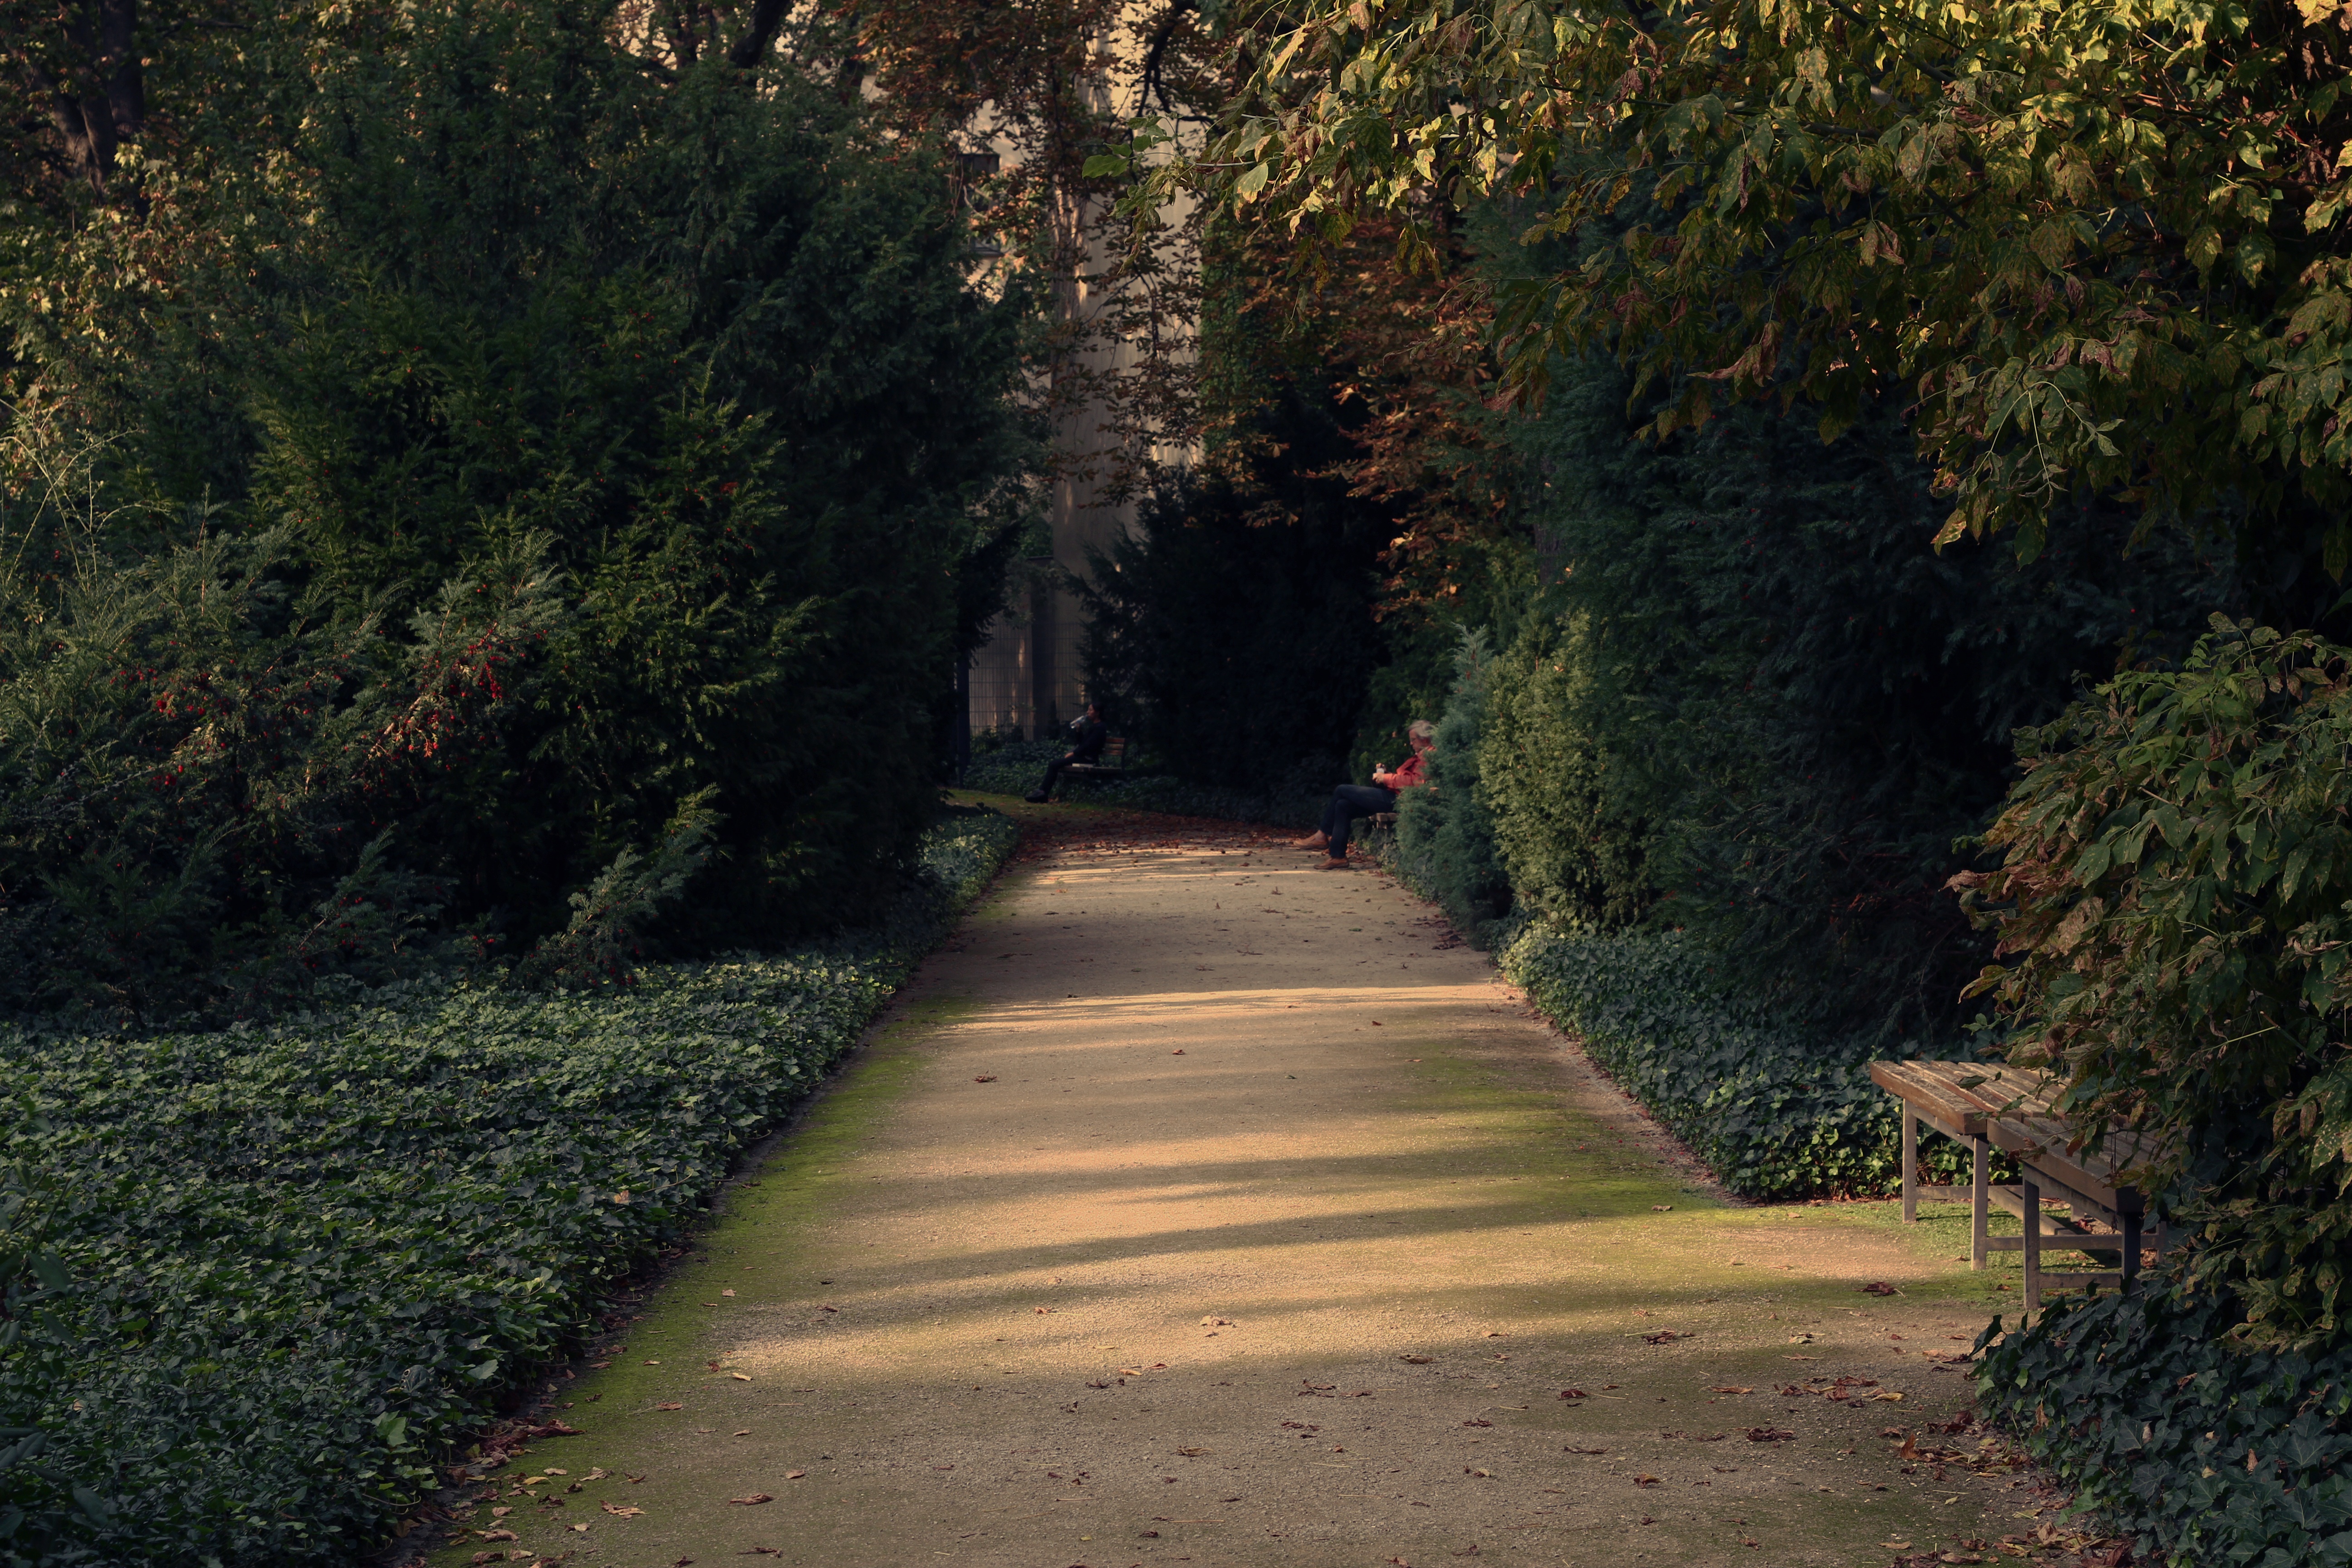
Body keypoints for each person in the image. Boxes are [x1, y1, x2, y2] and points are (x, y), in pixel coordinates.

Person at [1294, 720, 1435, 869]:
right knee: (1344, 806)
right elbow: (1406, 780)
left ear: (1425, 739)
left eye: (1413, 740)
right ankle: (1338, 857)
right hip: (1394, 797)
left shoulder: (1430, 756)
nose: (1411, 744)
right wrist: (1383, 776)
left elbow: (1416, 783)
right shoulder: (1420, 756)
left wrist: (1386, 778)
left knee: (1342, 790)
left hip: (1402, 801)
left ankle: (1322, 835)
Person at [1026, 701, 1107, 803]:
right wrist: (1079, 731)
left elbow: (1088, 746)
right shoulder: (1094, 727)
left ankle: (1042, 793)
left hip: (1089, 759)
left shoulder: (1100, 728)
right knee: (1055, 764)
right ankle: (1042, 793)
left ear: (1098, 713)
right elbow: (1082, 743)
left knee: (1054, 764)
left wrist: (1073, 754)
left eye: (1091, 710)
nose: (1088, 712)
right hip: (1084, 756)